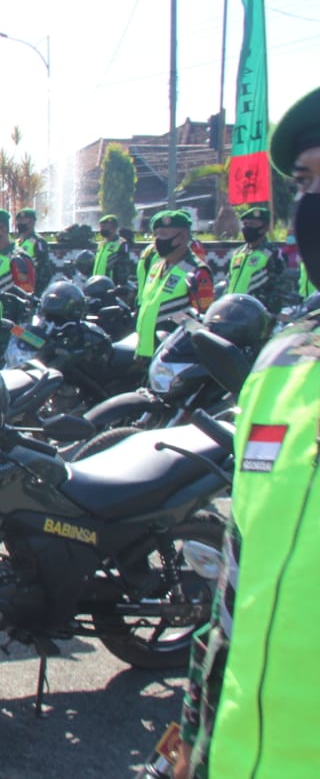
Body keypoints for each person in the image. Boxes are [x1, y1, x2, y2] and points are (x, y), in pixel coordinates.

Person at [174, 85, 320, 779]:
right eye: (308, 183)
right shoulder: (284, 364)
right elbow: (234, 592)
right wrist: (191, 738)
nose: (310, 203)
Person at [134, 209, 214, 359]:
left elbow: (203, 324)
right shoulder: (156, 266)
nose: (158, 240)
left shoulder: (197, 271)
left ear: (183, 237)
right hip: (145, 352)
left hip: (173, 358)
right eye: (156, 235)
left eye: (163, 235)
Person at [0, 209, 36, 362]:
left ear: (3, 229)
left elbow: (27, 298)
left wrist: (19, 334)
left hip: (5, 333)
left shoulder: (16, 258)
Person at [225, 207, 288, 315]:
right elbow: (229, 283)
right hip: (233, 312)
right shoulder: (238, 253)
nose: (247, 228)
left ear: (265, 228)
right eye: (245, 224)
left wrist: (271, 313)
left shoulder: (271, 253)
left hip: (255, 314)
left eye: (252, 224)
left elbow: (279, 287)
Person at [14, 207, 52, 295]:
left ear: (32, 222)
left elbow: (44, 270)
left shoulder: (38, 242)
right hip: (17, 288)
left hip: (30, 289)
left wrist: (36, 291)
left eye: (24, 220)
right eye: (19, 220)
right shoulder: (16, 243)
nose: (20, 223)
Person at [92, 214, 133, 288]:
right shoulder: (101, 244)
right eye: (101, 227)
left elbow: (124, 268)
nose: (102, 230)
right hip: (97, 285)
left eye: (105, 227)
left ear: (113, 228)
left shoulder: (121, 244)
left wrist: (120, 285)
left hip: (111, 286)